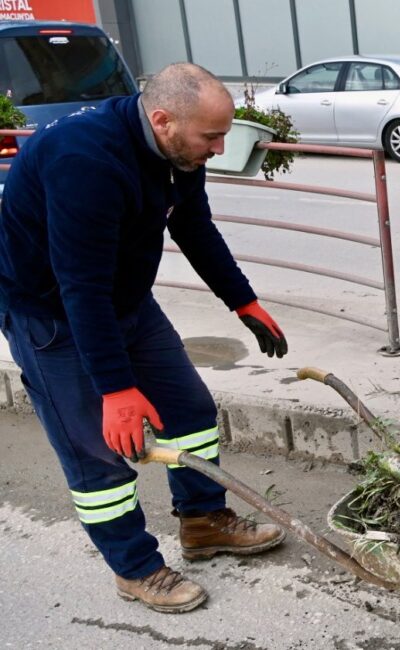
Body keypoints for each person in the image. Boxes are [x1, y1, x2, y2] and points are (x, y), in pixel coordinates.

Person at [0, 63, 290, 613]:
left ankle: (203, 522)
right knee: (98, 456)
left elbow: (193, 225)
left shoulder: (180, 151)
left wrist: (242, 300)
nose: (219, 146)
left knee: (191, 410)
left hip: (128, 302)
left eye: (223, 134)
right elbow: (79, 287)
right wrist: (115, 389)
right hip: (53, 316)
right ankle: (135, 568)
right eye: (212, 136)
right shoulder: (84, 160)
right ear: (163, 120)